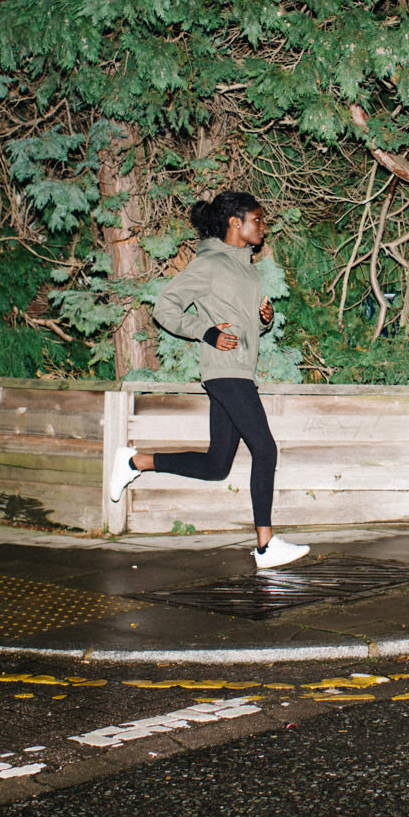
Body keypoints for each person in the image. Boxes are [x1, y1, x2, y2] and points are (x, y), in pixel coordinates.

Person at [107, 191, 308, 570]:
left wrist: (264, 320)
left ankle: (134, 462)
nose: (264, 227)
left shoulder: (248, 268)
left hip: (239, 369)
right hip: (224, 371)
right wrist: (206, 332)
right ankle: (265, 547)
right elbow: (165, 307)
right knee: (265, 449)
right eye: (258, 220)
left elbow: (246, 326)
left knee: (217, 466)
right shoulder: (210, 264)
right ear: (236, 222)